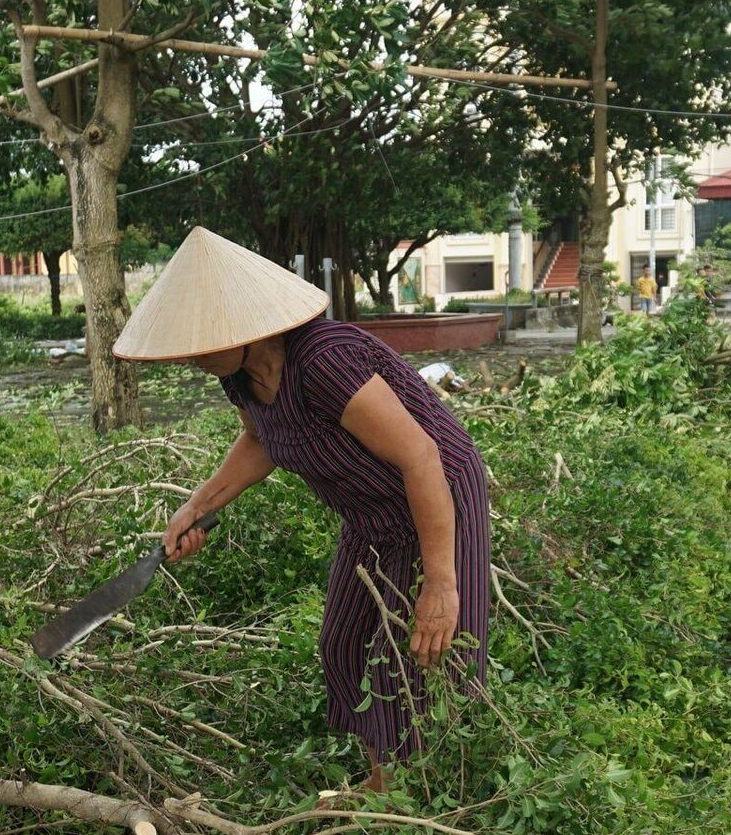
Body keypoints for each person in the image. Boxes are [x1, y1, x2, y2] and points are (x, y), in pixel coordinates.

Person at [112, 227, 490, 792]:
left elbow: (421, 456)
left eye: (202, 339)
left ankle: (430, 792)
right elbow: (261, 441)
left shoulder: (325, 362)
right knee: (342, 645)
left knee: (420, 652)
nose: (191, 355)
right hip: (368, 514)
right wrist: (197, 506)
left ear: (244, 326)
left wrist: (441, 581)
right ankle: (384, 779)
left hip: (435, 496)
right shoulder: (238, 377)